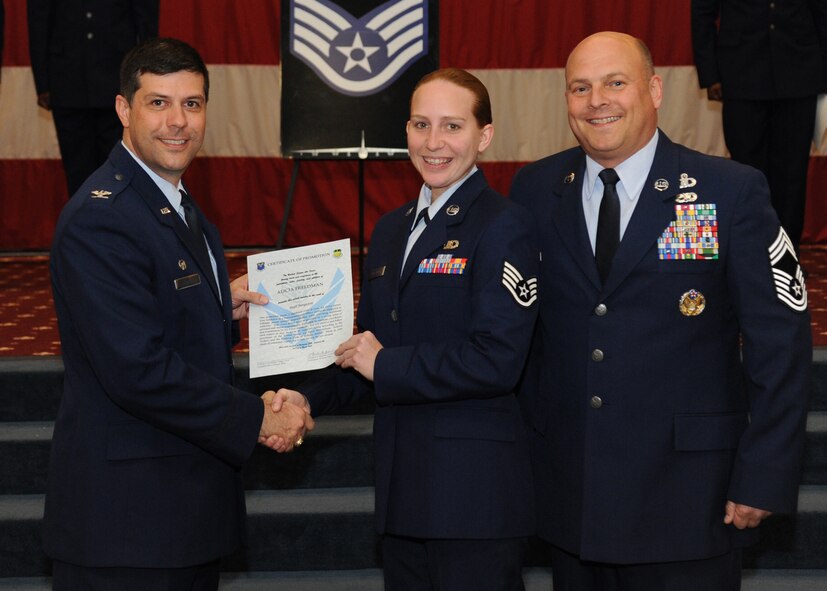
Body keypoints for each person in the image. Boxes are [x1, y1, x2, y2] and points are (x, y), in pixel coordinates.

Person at [510, 32, 812, 590]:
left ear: (654, 89)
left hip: (688, 499)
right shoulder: (535, 189)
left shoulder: (730, 191)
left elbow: (781, 343)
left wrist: (764, 474)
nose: (596, 100)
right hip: (573, 497)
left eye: (615, 83)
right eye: (581, 87)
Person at [45, 37, 314, 591]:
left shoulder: (175, 202)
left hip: (177, 515)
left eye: (192, 103)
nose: (178, 122)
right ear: (124, 109)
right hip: (126, 527)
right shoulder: (104, 218)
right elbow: (137, 370)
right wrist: (257, 418)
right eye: (158, 102)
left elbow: (155, 315)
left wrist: (220, 306)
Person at [265, 68, 539, 591]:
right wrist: (302, 398)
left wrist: (383, 363)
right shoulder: (392, 229)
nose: (434, 143)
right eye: (420, 124)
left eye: (452, 127)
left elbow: (497, 360)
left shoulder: (505, 226)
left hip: (472, 498)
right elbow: (363, 351)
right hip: (402, 490)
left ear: (484, 136)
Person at [691, 0, 827, 254]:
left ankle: (786, 257)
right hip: (740, 73)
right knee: (745, 171)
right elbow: (702, 13)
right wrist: (711, 74)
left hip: (799, 73)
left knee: (791, 173)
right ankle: (748, 254)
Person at [27, 0, 159, 196]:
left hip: (117, 80)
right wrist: (43, 84)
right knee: (77, 172)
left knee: (120, 169)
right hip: (67, 81)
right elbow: (38, 21)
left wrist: (146, 80)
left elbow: (146, 21)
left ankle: (119, 225)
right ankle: (83, 225)